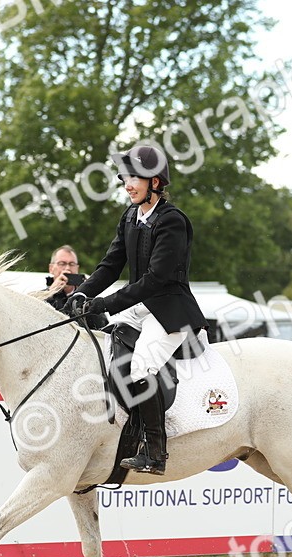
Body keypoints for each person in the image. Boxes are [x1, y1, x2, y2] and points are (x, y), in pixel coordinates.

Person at [66, 145, 206, 476]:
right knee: (106, 343)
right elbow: (110, 265)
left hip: (171, 311)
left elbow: (157, 279)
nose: (127, 184)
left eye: (133, 178)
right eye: (125, 178)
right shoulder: (130, 216)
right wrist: (83, 292)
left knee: (142, 365)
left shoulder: (172, 221)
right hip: (142, 307)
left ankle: (156, 452)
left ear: (155, 182)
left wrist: (105, 303)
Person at [43, 245, 108, 328]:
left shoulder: (85, 297)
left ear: (77, 268)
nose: (67, 268)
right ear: (51, 268)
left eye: (72, 264)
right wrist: (50, 292)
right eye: (62, 263)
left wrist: (85, 294)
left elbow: (101, 326)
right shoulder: (40, 297)